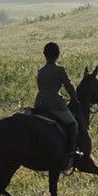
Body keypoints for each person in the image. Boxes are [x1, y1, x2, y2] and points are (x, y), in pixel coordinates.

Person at [34, 42, 81, 170]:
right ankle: (72, 153)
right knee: (73, 124)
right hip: (54, 103)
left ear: (44, 55)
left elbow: (40, 88)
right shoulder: (60, 70)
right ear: (58, 55)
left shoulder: (41, 71)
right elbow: (69, 86)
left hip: (39, 102)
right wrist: (74, 99)